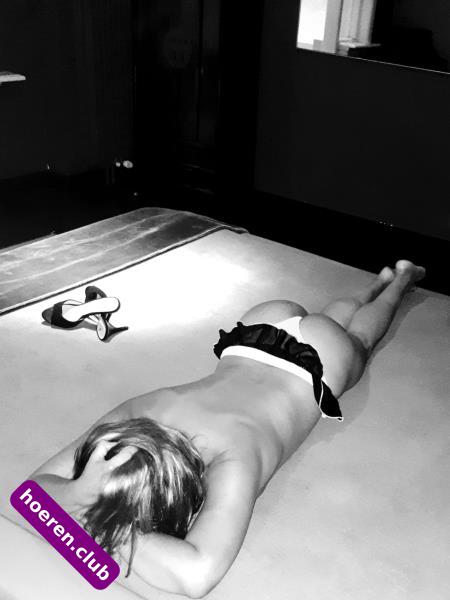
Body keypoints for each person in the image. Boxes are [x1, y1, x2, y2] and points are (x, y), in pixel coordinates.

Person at [30, 260, 425, 598]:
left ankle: (401, 280)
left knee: (359, 338)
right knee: (337, 327)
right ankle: (385, 279)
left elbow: (196, 575)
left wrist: (98, 518)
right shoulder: (140, 413)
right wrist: (80, 497)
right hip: (258, 330)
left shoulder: (233, 459)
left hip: (318, 360)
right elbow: (33, 491)